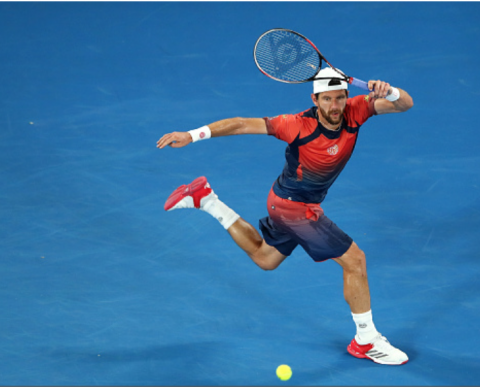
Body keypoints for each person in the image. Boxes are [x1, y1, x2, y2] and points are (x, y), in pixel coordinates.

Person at [156, 67, 414, 365]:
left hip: (285, 203)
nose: (334, 106)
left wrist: (390, 91)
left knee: (266, 259)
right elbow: (241, 124)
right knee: (355, 261)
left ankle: (206, 199)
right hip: (294, 207)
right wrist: (191, 135)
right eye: (327, 99)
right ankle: (366, 342)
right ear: (315, 99)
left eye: (340, 98)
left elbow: (404, 104)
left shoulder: (357, 110)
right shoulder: (296, 125)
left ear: (347, 96)